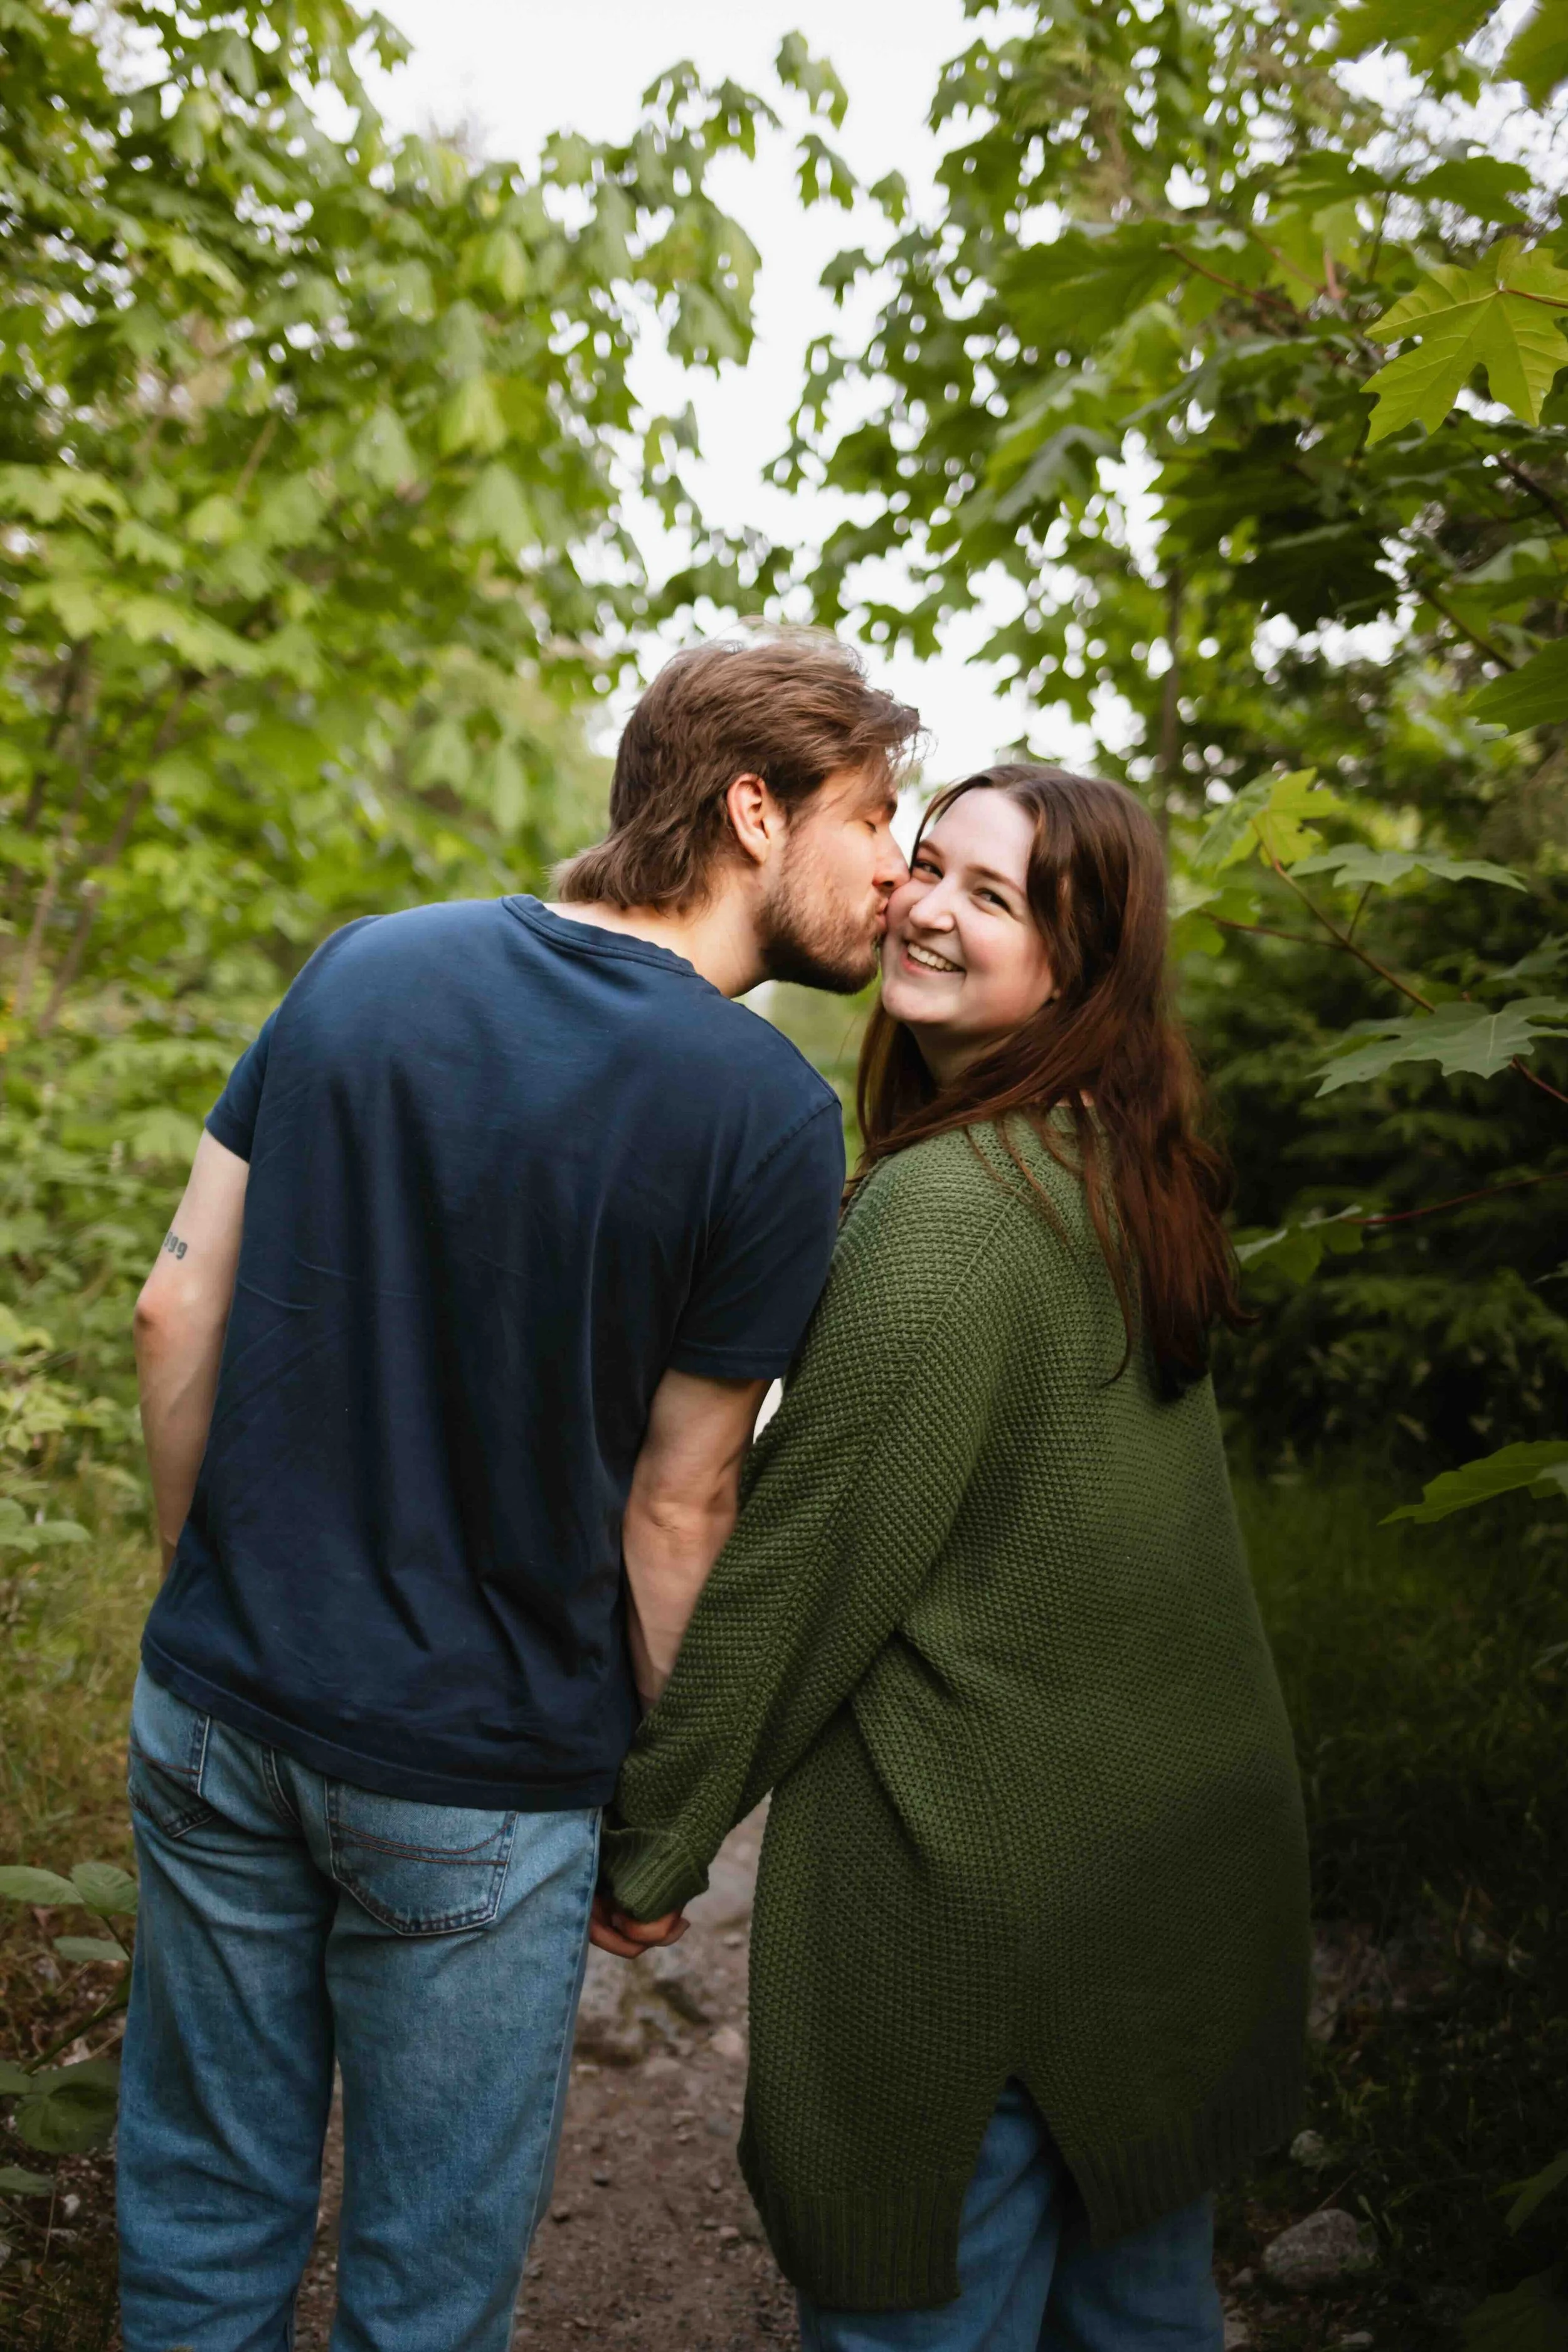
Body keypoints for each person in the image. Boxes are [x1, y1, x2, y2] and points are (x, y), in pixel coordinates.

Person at [119, 628, 919, 2352]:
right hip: (474, 1779)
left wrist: (213, 1592)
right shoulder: (765, 1118)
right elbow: (675, 1508)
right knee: (423, 2286)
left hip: (217, 1706)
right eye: (878, 812)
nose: (901, 865)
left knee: (199, 2207)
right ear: (754, 809)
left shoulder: (363, 967)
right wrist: (669, 1816)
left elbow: (172, 1305)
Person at [596, 765, 1311, 2351]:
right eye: (925, 865)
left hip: (984, 1910)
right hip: (1175, 1877)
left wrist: (651, 1845)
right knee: (1132, 2313)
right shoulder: (1123, 1167)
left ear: (1078, 966)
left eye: (991, 899)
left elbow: (805, 1570)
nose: (923, 907)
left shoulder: (950, 1213)